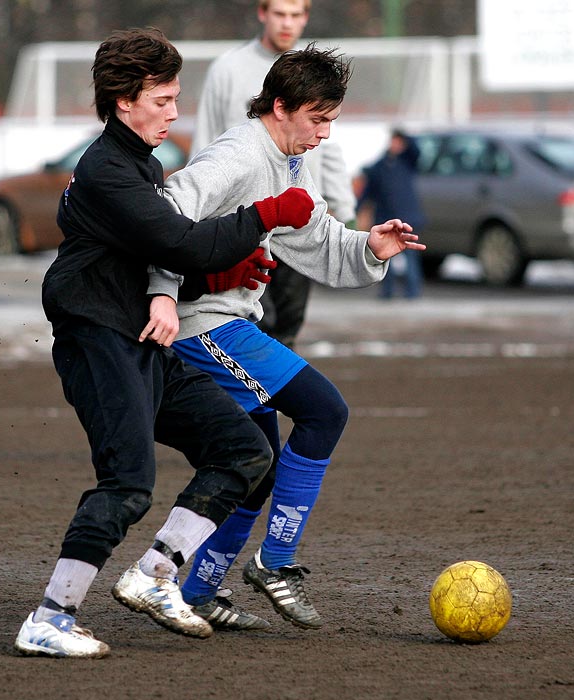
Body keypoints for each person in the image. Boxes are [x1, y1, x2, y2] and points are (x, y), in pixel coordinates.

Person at [13, 27, 315, 659]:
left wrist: (217, 276)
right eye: (162, 100)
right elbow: (178, 241)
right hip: (98, 340)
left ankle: (155, 575)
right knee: (127, 483)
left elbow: (162, 253)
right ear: (124, 101)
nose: (175, 113)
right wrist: (265, 214)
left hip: (143, 337)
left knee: (242, 450)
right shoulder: (106, 172)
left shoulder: (142, 164)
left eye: (177, 98)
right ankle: (50, 617)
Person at [150, 45, 425, 631]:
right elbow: (167, 211)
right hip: (204, 327)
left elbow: (314, 234)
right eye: (318, 118)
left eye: (332, 119)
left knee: (259, 468)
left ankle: (197, 592)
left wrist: (368, 247)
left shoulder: (289, 158)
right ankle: (274, 563)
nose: (325, 133)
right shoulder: (240, 152)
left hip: (232, 322)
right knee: (325, 411)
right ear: (281, 106)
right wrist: (165, 295)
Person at [191, 0, 357, 348]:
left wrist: (343, 209)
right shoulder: (229, 68)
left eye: (296, 15)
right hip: (246, 223)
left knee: (289, 326)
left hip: (299, 222)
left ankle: (276, 396)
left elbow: (330, 150)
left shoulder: (315, 75)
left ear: (306, 18)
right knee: (248, 323)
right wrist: (203, 226)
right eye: (280, 13)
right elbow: (206, 143)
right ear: (263, 13)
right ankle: (244, 397)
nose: (287, 23)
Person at [356, 128, 426, 299]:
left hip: (407, 219)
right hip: (385, 219)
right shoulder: (379, 166)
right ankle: (387, 292)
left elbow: (417, 150)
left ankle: (412, 292)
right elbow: (368, 192)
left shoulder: (408, 162)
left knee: (410, 257)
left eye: (398, 142)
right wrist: (355, 210)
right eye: (393, 141)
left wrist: (403, 133)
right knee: (385, 256)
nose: (395, 145)